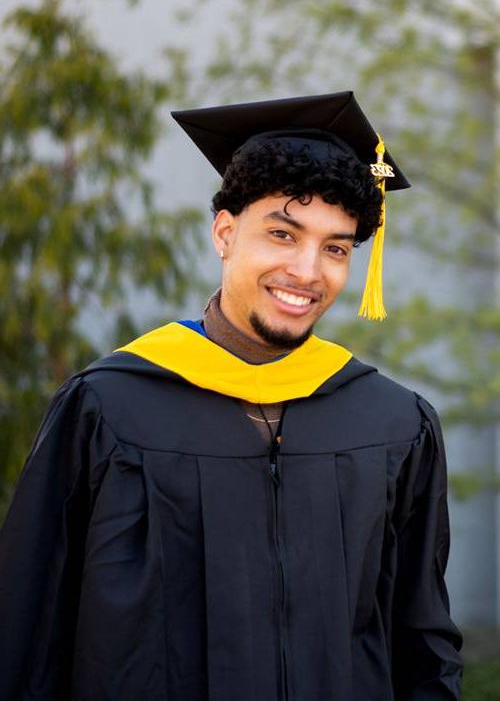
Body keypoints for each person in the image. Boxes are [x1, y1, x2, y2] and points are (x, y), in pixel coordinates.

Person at [0, 91, 462, 701]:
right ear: (224, 232)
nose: (307, 271)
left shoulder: (394, 425)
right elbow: (27, 639)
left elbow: (422, 643)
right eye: (281, 233)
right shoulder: (108, 410)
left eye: (336, 248)